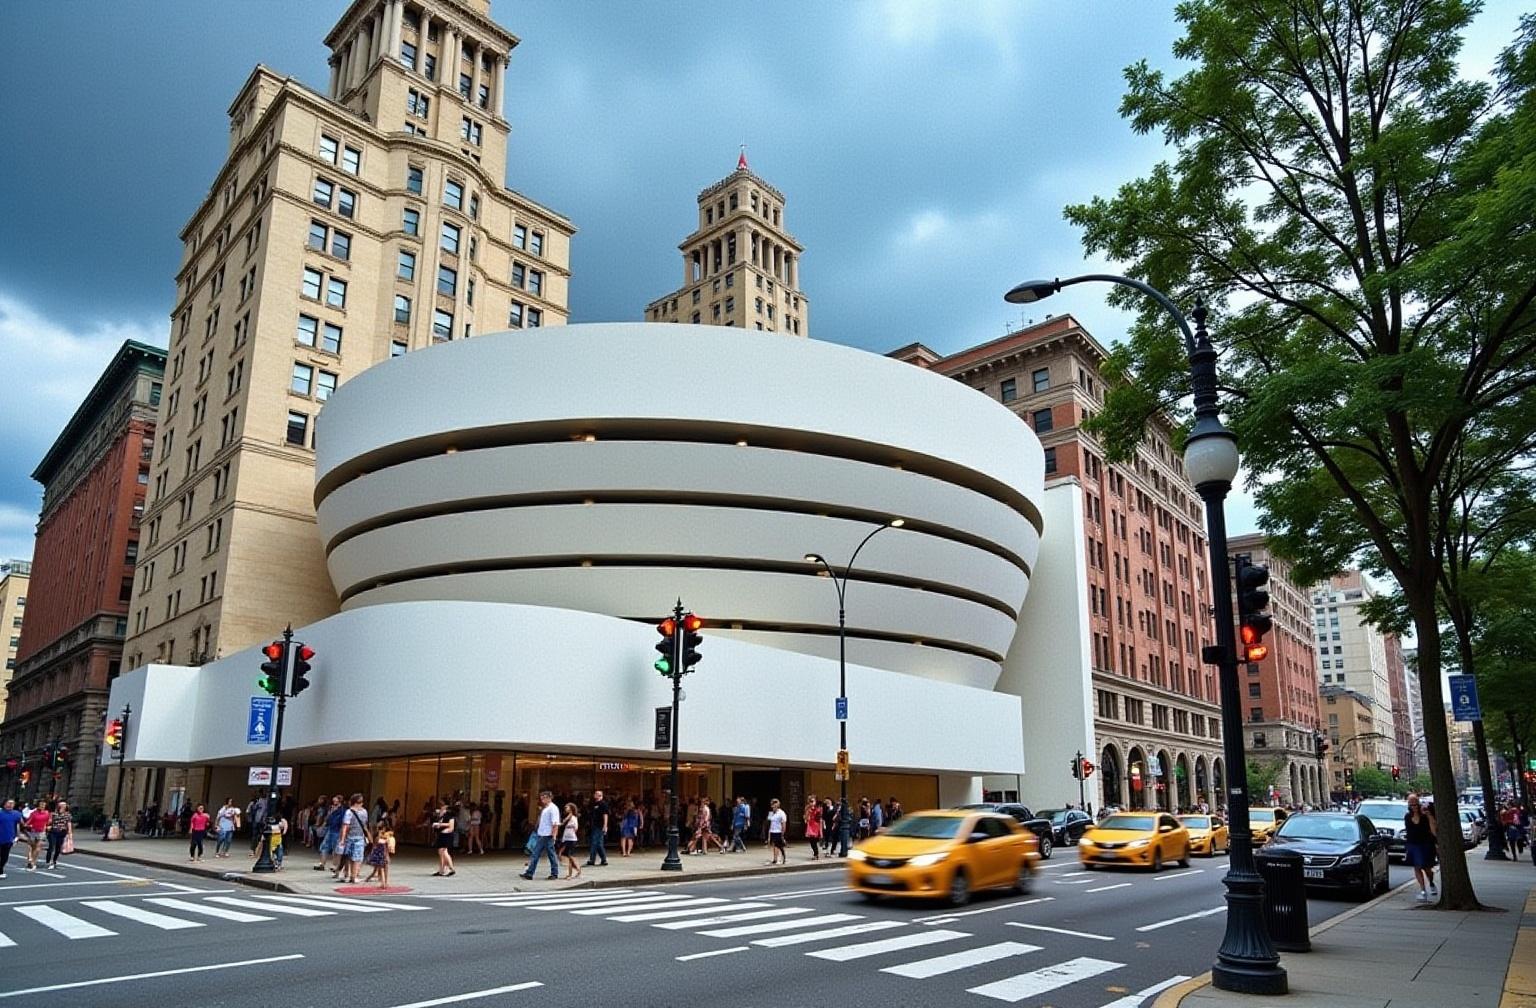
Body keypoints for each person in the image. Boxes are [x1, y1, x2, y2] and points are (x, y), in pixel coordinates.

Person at [1403, 793, 1438, 901]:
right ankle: (1423, 890)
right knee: (1417, 867)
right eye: (1411, 804)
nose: (1413, 807)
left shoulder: (1425, 816)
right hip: (1413, 844)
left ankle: (1431, 882)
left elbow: (1434, 831)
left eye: (1415, 804)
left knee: (1427, 868)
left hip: (1426, 844)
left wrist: (1428, 815)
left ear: (1419, 804)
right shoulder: (1408, 817)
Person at [519, 790, 560, 880]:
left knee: (541, 854)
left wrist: (554, 836)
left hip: (547, 835)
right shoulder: (546, 808)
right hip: (542, 834)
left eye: (543, 798)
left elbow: (555, 824)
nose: (542, 800)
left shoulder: (553, 808)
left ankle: (532, 873)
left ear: (549, 798)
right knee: (545, 854)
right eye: (541, 798)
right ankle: (531, 873)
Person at [338, 794, 368, 884]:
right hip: (359, 837)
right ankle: (354, 876)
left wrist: (342, 839)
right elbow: (365, 824)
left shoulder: (348, 812)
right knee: (357, 858)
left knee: (348, 857)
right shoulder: (364, 812)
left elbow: (345, 826)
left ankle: (347, 874)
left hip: (349, 837)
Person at [315, 795, 345, 873]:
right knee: (324, 846)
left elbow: (342, 822)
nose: (334, 802)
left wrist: (342, 833)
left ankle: (334, 865)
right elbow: (327, 819)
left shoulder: (342, 811)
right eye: (333, 801)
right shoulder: (331, 809)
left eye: (335, 801)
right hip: (330, 829)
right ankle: (322, 863)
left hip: (337, 830)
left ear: (339, 801)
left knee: (335, 848)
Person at [44, 800, 73, 869]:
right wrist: (48, 825)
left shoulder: (68, 815)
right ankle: (49, 860)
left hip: (62, 832)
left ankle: (54, 860)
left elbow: (69, 824)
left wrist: (70, 833)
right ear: (58, 806)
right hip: (53, 831)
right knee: (52, 846)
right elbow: (48, 822)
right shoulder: (53, 814)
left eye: (64, 805)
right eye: (61, 805)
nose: (63, 806)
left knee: (58, 848)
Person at [430, 801, 457, 877]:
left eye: (443, 807)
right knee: (441, 852)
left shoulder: (449, 816)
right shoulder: (441, 816)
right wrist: (437, 825)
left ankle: (451, 869)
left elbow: (450, 825)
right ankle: (441, 870)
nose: (441, 809)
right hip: (441, 834)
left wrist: (439, 824)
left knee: (444, 852)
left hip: (447, 835)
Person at [584, 789, 609, 866]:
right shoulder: (594, 804)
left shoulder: (603, 804)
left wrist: (605, 825)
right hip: (594, 825)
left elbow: (605, 815)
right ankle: (603, 859)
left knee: (594, 842)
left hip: (600, 826)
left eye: (596, 794)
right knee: (598, 843)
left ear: (600, 795)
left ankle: (592, 859)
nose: (594, 795)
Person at [0, 798, 24, 878]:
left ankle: (0, 870)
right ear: (4, 804)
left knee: (4, 857)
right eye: (8, 803)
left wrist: (18, 836)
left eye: (12, 803)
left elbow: (18, 825)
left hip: (8, 838)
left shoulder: (16, 814)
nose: (10, 805)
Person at [23, 802, 50, 870]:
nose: (42, 806)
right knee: (32, 847)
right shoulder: (34, 813)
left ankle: (33, 862)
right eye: (41, 805)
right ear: (38, 806)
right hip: (33, 832)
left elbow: (48, 821)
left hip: (41, 832)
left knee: (38, 848)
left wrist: (47, 826)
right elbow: (28, 822)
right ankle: (30, 859)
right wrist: (29, 825)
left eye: (44, 805)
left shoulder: (47, 813)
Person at [365, 821, 393, 887]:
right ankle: (384, 882)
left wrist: (372, 853)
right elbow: (386, 847)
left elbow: (374, 845)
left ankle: (383, 883)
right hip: (383, 853)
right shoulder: (386, 837)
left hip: (379, 854)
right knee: (384, 868)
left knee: (381, 868)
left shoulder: (379, 836)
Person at [560, 802, 581, 879]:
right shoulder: (569, 817)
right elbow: (563, 823)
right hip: (567, 838)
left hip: (571, 839)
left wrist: (572, 833)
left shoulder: (574, 818)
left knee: (570, 856)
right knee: (567, 855)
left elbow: (576, 828)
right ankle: (576, 870)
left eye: (567, 807)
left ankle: (573, 873)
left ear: (571, 808)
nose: (565, 808)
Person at [766, 798, 787, 865]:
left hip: (778, 831)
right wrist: (769, 835)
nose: (773, 806)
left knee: (778, 846)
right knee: (774, 845)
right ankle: (775, 859)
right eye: (772, 805)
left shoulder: (781, 813)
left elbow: (783, 823)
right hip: (773, 831)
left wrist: (782, 833)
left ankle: (782, 857)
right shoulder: (771, 813)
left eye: (775, 805)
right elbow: (770, 824)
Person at [804, 794, 822, 859]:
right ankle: (815, 853)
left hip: (816, 826)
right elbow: (806, 817)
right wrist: (808, 813)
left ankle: (816, 854)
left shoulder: (818, 809)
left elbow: (819, 818)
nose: (811, 803)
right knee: (811, 841)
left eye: (812, 801)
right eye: (810, 801)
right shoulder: (807, 808)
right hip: (810, 825)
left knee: (814, 840)